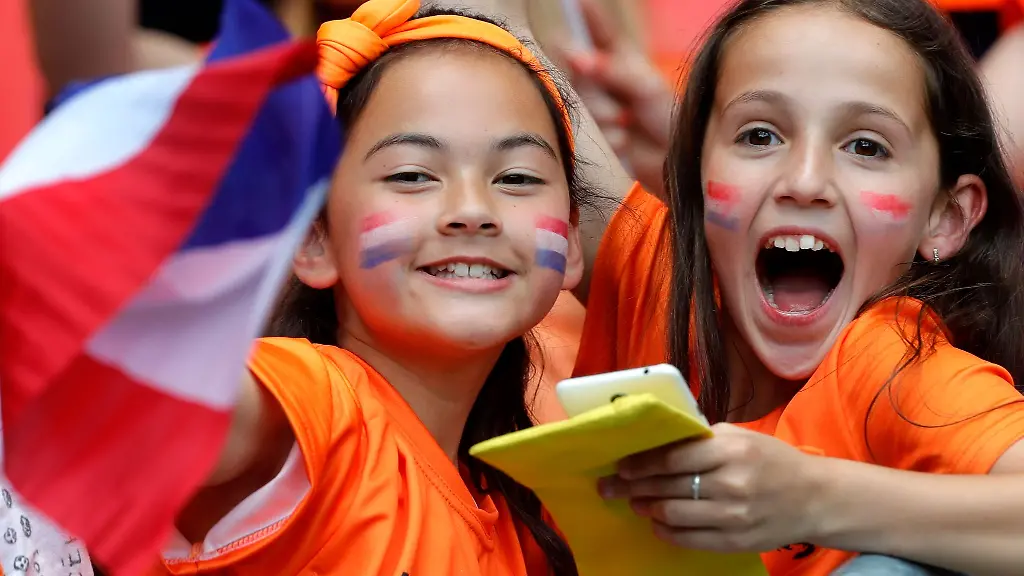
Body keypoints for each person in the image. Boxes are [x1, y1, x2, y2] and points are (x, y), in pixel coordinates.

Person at [567, 0, 1024, 574]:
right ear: (693, 174)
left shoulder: (893, 364)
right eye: (759, 136)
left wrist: (812, 498)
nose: (805, 181)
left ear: (946, 218)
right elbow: (488, 44)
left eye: (866, 146)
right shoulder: (654, 287)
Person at [147, 0, 602, 573]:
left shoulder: (527, 521)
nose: (472, 210)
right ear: (316, 240)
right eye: (412, 175)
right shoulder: (317, 402)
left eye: (516, 178)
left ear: (574, 243)